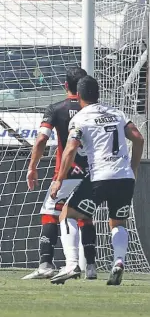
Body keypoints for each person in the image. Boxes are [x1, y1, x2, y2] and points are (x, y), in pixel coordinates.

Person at [49, 75, 144, 285]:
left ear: (79, 95)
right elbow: (138, 138)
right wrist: (133, 167)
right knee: (118, 222)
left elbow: (71, 148)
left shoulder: (80, 118)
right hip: (124, 177)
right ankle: (118, 261)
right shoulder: (116, 113)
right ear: (98, 93)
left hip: (99, 176)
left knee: (67, 214)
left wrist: (59, 179)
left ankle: (72, 264)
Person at [23, 67, 97, 280]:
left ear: (66, 86)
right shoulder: (94, 111)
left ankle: (46, 263)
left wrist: (32, 167)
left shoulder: (56, 109)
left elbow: (41, 140)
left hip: (65, 174)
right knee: (84, 216)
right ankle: (90, 267)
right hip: (91, 173)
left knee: (50, 213)